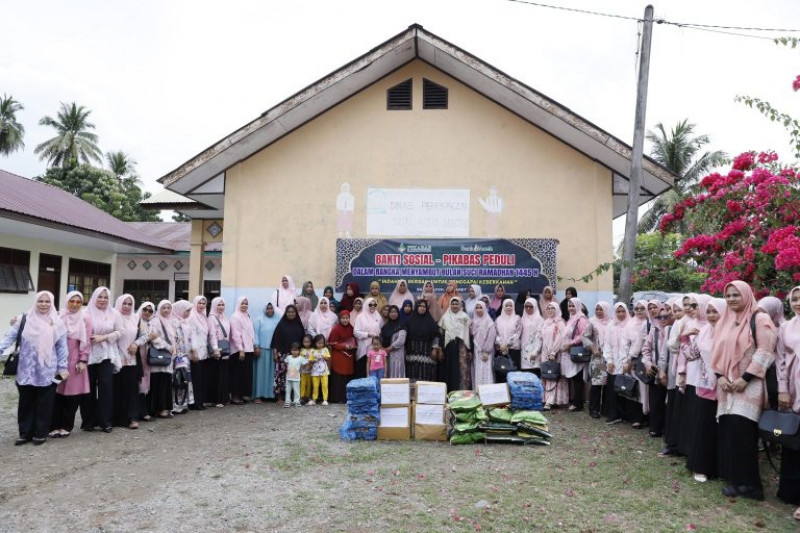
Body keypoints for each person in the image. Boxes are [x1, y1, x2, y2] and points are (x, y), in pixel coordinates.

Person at [713, 281, 776, 501]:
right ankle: (737, 480)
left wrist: (746, 377)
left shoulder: (760, 318)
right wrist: (720, 376)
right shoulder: (726, 321)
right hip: (727, 387)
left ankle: (751, 486)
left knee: (744, 435)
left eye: (735, 295)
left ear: (747, 295)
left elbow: (766, 351)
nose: (731, 299)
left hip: (750, 385)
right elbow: (716, 352)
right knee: (731, 433)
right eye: (728, 296)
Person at [0, 291, 68, 445]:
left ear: (52, 303)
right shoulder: (24, 319)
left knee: (44, 403)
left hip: (47, 370)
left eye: (47, 301)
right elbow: (10, 336)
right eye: (40, 301)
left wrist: (62, 367)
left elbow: (62, 347)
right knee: (25, 403)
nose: (43, 304)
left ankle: (40, 433)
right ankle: (25, 433)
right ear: (35, 302)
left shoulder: (57, 323)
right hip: (26, 368)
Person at [684, 297, 725, 483]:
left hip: (726, 388)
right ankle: (700, 467)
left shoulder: (730, 333)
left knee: (721, 430)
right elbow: (691, 355)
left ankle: (719, 468)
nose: (711, 315)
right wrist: (684, 337)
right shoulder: (703, 332)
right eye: (708, 311)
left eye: (715, 311)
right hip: (705, 387)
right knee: (704, 428)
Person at [49, 290, 90, 438]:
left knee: (72, 396)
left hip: (74, 361)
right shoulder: (59, 317)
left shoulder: (85, 319)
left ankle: (66, 426)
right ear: (67, 302)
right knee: (56, 393)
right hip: (57, 361)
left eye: (78, 302)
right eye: (72, 301)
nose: (74, 304)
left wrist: (82, 360)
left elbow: (86, 343)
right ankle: (53, 425)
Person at [84, 286, 123, 433]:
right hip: (89, 355)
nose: (103, 300)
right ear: (94, 297)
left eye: (106, 297)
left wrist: (104, 337)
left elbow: (120, 331)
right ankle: (89, 421)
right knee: (89, 389)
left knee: (106, 387)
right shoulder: (86, 313)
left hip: (107, 354)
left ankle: (105, 421)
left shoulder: (114, 313)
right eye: (100, 297)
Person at [777, 286, 800, 520]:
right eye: (794, 299)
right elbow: (781, 359)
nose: (797, 303)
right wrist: (783, 389)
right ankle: (790, 491)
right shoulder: (787, 327)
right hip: (794, 388)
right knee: (793, 441)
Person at [676, 294, 708, 454]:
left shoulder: (709, 326)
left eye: (695, 305)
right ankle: (687, 448)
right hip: (691, 374)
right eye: (689, 305)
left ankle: (695, 450)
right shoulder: (691, 323)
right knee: (690, 412)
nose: (691, 309)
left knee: (699, 414)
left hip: (704, 378)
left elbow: (692, 353)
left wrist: (684, 339)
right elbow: (685, 352)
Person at [659, 298, 685, 457]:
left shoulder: (695, 326)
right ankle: (672, 444)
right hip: (674, 374)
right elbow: (664, 352)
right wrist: (662, 370)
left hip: (689, 377)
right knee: (673, 410)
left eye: (678, 310)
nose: (675, 314)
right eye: (674, 311)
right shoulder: (671, 328)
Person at [112, 294, 141, 428]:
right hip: (117, 358)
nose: (127, 306)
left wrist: (136, 343)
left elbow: (146, 334)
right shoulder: (113, 317)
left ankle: (132, 418)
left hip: (132, 358)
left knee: (132, 390)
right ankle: (117, 418)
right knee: (118, 389)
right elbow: (112, 340)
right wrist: (118, 357)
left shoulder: (135, 318)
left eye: (130, 304)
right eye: (124, 303)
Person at [621, 300, 650, 428]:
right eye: (637, 308)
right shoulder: (630, 324)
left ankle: (643, 417)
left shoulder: (649, 323)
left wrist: (630, 358)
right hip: (631, 359)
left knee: (644, 389)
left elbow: (640, 343)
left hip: (643, 359)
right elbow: (624, 343)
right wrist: (626, 360)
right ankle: (634, 417)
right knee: (633, 387)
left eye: (642, 308)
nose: (639, 311)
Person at [641, 301, 668, 437]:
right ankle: (655, 428)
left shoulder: (672, 327)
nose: (652, 310)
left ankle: (667, 428)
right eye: (649, 308)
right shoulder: (653, 328)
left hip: (671, 370)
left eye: (654, 307)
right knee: (656, 400)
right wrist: (647, 363)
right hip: (655, 370)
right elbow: (646, 349)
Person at [149, 300, 177, 418]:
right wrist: (167, 347)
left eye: (168, 308)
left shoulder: (170, 321)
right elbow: (154, 337)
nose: (166, 310)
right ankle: (158, 409)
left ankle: (165, 407)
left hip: (168, 356)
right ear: (159, 309)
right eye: (164, 308)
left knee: (166, 382)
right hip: (160, 355)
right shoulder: (155, 321)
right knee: (158, 382)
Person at [271, 305, 306, 400]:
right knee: (281, 375)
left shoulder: (299, 324)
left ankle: (293, 396)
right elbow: (275, 340)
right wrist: (275, 353)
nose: (291, 313)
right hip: (282, 355)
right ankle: (280, 397)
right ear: (285, 313)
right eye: (289, 312)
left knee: (294, 375)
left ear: (296, 313)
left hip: (296, 356)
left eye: (293, 312)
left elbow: (303, 340)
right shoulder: (281, 325)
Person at [583, 301, 611, 419]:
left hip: (610, 356)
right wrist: (593, 347)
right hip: (598, 355)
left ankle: (605, 408)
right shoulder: (592, 321)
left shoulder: (611, 322)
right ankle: (594, 409)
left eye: (601, 309)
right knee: (597, 383)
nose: (599, 311)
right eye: (597, 309)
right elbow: (584, 336)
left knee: (608, 383)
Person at [603, 302, 630, 425]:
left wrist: (627, 361)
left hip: (627, 362)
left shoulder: (630, 324)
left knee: (627, 387)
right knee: (613, 389)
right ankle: (614, 414)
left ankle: (626, 415)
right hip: (614, 361)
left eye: (623, 311)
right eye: (618, 311)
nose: (621, 314)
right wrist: (609, 360)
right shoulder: (611, 326)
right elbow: (607, 344)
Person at [439, 297, 471, 391]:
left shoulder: (465, 317)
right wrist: (440, 349)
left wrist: (470, 350)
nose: (454, 305)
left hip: (462, 347)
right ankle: (450, 392)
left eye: (456, 304)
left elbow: (469, 334)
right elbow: (441, 333)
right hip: (449, 347)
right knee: (450, 370)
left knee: (461, 371)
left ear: (460, 305)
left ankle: (462, 393)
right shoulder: (445, 317)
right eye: (452, 304)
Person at [404, 299, 441, 382]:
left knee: (427, 375)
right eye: (420, 306)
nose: (422, 308)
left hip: (427, 354)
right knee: (413, 374)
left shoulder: (431, 321)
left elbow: (436, 336)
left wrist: (435, 349)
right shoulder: (409, 321)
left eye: (424, 306)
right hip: (412, 354)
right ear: (416, 307)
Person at [562, 297, 589, 412]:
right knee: (574, 377)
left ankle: (578, 404)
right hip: (571, 351)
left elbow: (583, 335)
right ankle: (577, 402)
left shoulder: (581, 319)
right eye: (569, 306)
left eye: (573, 306)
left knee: (577, 378)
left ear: (578, 306)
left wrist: (571, 343)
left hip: (577, 350)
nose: (571, 308)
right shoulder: (572, 318)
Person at [539, 302, 567, 409]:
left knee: (552, 376)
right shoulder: (545, 322)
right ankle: (545, 398)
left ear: (556, 309)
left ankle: (550, 401)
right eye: (548, 308)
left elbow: (560, 338)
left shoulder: (560, 322)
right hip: (544, 352)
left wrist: (553, 352)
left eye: (552, 308)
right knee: (546, 375)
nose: (550, 310)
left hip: (554, 353)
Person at [169, 300, 194, 415]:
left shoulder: (186, 322)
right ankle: (175, 404)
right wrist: (177, 353)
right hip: (177, 356)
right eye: (186, 311)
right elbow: (175, 339)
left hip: (185, 356)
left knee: (184, 379)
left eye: (189, 311)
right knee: (177, 379)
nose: (188, 313)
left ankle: (183, 403)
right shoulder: (173, 322)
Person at [229, 297, 255, 405]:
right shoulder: (235, 317)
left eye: (246, 303)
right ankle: (235, 397)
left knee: (244, 374)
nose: (244, 305)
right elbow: (235, 335)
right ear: (238, 304)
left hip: (248, 349)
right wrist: (241, 349)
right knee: (237, 374)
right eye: (242, 303)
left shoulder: (246, 316)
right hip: (239, 351)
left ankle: (241, 395)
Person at [134, 302, 158, 420]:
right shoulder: (136, 321)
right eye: (145, 310)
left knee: (145, 384)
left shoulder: (150, 324)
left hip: (146, 358)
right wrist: (149, 337)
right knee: (138, 384)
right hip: (136, 357)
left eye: (150, 311)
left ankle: (144, 411)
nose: (147, 312)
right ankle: (139, 412)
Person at [187, 296, 210, 410]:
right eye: (199, 303)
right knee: (196, 378)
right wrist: (194, 351)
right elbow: (192, 335)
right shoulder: (192, 316)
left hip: (203, 352)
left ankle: (200, 401)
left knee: (201, 378)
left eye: (203, 303)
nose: (201, 305)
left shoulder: (203, 317)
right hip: (195, 353)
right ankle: (195, 402)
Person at [328, 311, 356, 403]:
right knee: (338, 377)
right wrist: (344, 346)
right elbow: (332, 343)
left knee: (347, 376)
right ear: (339, 319)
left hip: (348, 356)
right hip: (339, 356)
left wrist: (352, 346)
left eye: (347, 318)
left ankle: (345, 398)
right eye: (343, 318)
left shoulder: (351, 328)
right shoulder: (336, 329)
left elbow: (354, 340)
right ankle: (337, 398)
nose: (345, 320)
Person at [253, 303, 279, 402]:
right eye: (268, 308)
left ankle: (271, 395)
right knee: (260, 374)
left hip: (273, 349)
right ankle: (258, 395)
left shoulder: (277, 320)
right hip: (262, 350)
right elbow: (255, 334)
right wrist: (256, 346)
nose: (270, 310)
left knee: (272, 374)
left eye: (271, 308)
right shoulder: (259, 319)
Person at [207, 297, 231, 407]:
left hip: (225, 349)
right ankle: (216, 399)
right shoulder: (212, 318)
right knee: (217, 375)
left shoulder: (225, 318)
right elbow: (212, 334)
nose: (221, 307)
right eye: (218, 305)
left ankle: (223, 398)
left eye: (222, 305)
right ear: (214, 306)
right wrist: (215, 349)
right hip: (217, 349)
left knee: (224, 374)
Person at [354, 297, 383, 377]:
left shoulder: (378, 316)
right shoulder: (360, 317)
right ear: (366, 305)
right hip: (364, 348)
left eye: (374, 304)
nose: (373, 306)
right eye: (370, 304)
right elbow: (356, 332)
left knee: (374, 371)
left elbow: (380, 331)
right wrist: (368, 334)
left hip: (375, 349)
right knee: (363, 371)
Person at [471, 301, 497, 389]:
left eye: (480, 307)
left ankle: (488, 394)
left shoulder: (489, 322)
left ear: (485, 308)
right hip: (477, 350)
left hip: (486, 351)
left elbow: (491, 337)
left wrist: (486, 351)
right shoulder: (474, 321)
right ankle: (478, 392)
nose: (478, 310)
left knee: (486, 371)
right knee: (478, 371)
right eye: (477, 308)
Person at [495, 299, 522, 374]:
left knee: (513, 371)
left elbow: (517, 333)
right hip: (501, 349)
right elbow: (496, 334)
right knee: (502, 371)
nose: (508, 307)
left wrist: (507, 344)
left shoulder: (517, 318)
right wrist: (501, 345)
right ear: (503, 307)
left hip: (513, 349)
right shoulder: (498, 319)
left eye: (510, 305)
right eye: (506, 306)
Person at [381, 305, 407, 378]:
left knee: (396, 373)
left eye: (395, 312)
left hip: (397, 354)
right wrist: (383, 349)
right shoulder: (385, 327)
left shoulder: (401, 325)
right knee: (387, 372)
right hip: (386, 355)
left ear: (398, 313)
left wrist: (389, 349)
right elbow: (381, 338)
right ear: (389, 314)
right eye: (391, 312)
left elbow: (401, 341)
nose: (393, 314)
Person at [520, 297, 544, 376]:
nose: (528, 308)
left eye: (531, 306)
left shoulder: (539, 319)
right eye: (526, 306)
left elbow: (539, 337)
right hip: (524, 351)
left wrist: (535, 351)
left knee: (534, 374)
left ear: (535, 307)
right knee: (525, 376)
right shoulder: (522, 319)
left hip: (534, 351)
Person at [307, 334, 331, 405]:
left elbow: (328, 358)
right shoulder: (312, 350)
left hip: (324, 371)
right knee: (315, 385)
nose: (321, 345)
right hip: (315, 371)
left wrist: (323, 356)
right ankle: (314, 399)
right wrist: (315, 359)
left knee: (325, 385)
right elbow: (310, 360)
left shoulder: (325, 349)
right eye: (319, 343)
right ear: (315, 343)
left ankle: (325, 399)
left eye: (322, 343)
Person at [283, 342, 307, 407]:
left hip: (296, 378)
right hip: (288, 377)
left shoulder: (301, 358)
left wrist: (300, 369)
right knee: (288, 390)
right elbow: (286, 363)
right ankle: (287, 401)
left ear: (299, 351)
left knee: (296, 390)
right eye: (293, 350)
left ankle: (296, 401)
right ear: (291, 350)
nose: (294, 352)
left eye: (296, 350)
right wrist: (288, 369)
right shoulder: (289, 357)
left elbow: (304, 364)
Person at [299, 334, 314, 404]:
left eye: (308, 342)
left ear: (311, 342)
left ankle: (308, 396)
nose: (306, 343)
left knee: (309, 384)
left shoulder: (313, 350)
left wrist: (311, 364)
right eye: (305, 342)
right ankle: (302, 396)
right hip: (303, 370)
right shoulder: (301, 350)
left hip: (310, 370)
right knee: (302, 383)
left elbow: (314, 359)